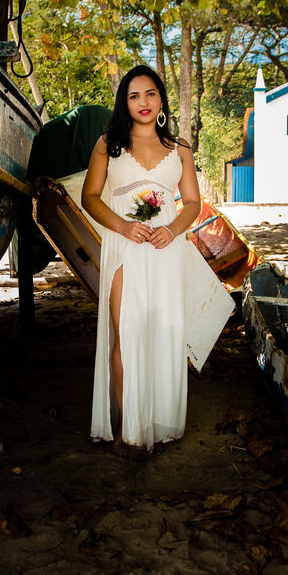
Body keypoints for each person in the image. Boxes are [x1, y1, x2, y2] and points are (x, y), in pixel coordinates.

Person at [81, 65, 204, 454]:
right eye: (134, 96)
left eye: (150, 94)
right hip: (125, 248)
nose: (143, 103)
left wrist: (173, 229)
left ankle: (157, 418)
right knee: (127, 333)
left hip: (166, 250)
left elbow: (193, 203)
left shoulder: (179, 147)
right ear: (124, 103)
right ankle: (127, 429)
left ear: (161, 99)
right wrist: (121, 225)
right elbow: (90, 197)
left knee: (163, 332)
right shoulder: (109, 145)